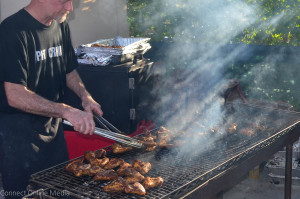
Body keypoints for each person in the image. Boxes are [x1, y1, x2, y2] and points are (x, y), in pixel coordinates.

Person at [0, 0, 103, 198]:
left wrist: (85, 96)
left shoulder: (60, 23)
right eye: (64, 1)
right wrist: (66, 110)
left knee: (58, 193)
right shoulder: (11, 31)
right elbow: (15, 95)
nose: (70, 8)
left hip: (53, 130)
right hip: (19, 136)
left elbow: (68, 70)